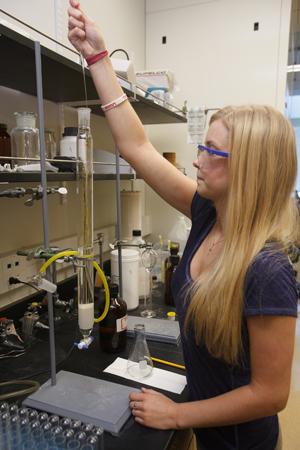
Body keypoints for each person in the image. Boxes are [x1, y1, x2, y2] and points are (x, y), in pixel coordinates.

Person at [68, 2, 299, 449]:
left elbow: (271, 394)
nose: (197, 158)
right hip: (208, 426)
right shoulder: (207, 213)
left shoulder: (267, 270)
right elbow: (136, 147)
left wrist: (177, 414)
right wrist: (97, 58)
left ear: (248, 169)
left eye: (212, 151)